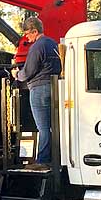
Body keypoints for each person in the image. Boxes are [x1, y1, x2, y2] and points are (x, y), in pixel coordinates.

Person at [13, 17, 61, 170]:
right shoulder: (53, 44)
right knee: (54, 126)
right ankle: (57, 158)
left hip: (39, 89)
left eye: (28, 34)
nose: (27, 37)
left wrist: (16, 74)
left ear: (34, 31)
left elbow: (28, 71)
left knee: (43, 128)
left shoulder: (37, 47)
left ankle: (42, 160)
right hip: (54, 87)